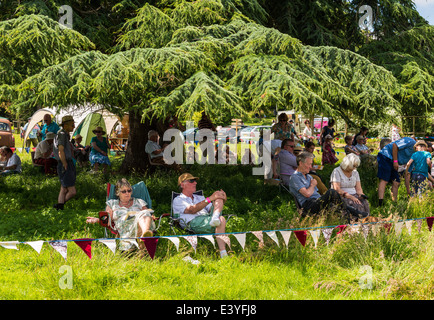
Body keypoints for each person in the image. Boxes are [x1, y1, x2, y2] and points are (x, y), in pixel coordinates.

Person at [288, 152, 367, 220]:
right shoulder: (295, 177)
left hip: (317, 201)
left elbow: (315, 192)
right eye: (309, 164)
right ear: (301, 163)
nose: (310, 166)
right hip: (308, 206)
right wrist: (312, 185)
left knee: (337, 205)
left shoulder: (309, 176)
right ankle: (356, 213)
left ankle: (351, 219)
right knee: (331, 192)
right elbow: (307, 194)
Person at [86, 178, 155, 254]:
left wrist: (151, 216)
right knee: (139, 220)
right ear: (118, 193)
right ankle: (144, 243)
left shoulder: (139, 201)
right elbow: (108, 219)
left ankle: (145, 234)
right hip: (125, 226)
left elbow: (148, 213)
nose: (127, 193)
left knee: (144, 213)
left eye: (129, 190)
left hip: (140, 223)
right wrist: (97, 220)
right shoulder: (112, 204)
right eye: (124, 191)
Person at [172, 173, 229, 258]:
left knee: (218, 196)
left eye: (195, 181)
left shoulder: (200, 197)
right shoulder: (178, 199)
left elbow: (211, 208)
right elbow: (192, 210)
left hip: (207, 218)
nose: (195, 183)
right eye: (191, 181)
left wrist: (222, 199)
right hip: (193, 222)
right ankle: (223, 253)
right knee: (221, 219)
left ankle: (215, 217)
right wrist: (210, 199)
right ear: (182, 185)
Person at [377, 136, 416, 206]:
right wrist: (395, 161)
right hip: (385, 155)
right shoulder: (410, 141)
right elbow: (395, 145)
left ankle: (394, 203)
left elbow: (407, 174)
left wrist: (408, 192)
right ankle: (380, 203)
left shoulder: (415, 157)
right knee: (384, 180)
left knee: (396, 182)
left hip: (393, 161)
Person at [53, 115, 76, 210]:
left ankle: (59, 207)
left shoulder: (64, 134)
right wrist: (64, 163)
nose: (74, 126)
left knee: (63, 188)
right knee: (72, 191)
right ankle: (59, 205)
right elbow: (60, 150)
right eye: (72, 124)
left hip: (66, 162)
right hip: (65, 163)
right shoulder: (62, 134)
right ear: (65, 125)